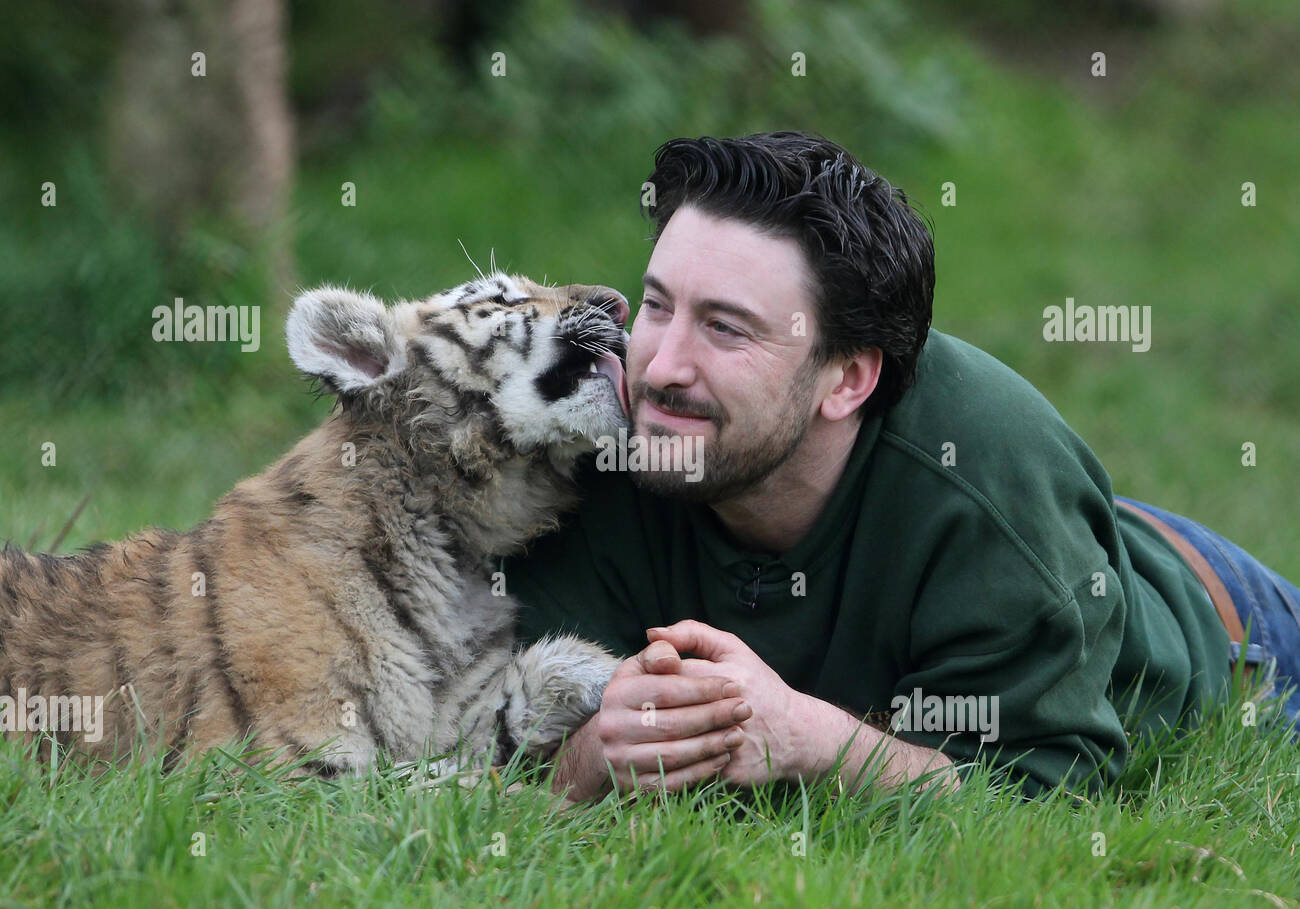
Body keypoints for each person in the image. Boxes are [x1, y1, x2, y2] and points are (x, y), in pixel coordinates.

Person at [501, 131, 1300, 804]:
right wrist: (600, 751)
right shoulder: (590, 443)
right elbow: (498, 758)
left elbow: (1042, 796)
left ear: (848, 379)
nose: (661, 366)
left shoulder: (990, 482)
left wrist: (813, 739)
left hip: (1228, 626)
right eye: (659, 305)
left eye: (727, 329)